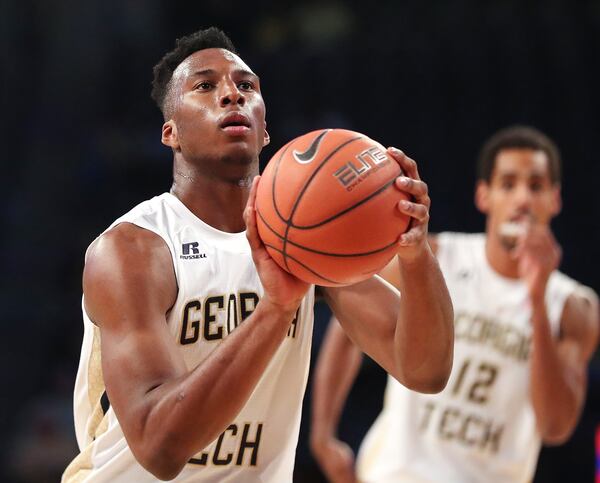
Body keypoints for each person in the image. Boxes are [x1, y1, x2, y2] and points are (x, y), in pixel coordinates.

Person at [62, 27, 454, 482]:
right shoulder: (133, 249)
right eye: (205, 86)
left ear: (265, 128)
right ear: (171, 133)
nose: (231, 94)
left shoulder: (307, 241)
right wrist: (275, 309)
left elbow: (425, 370)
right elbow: (159, 446)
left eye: (246, 86)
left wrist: (415, 253)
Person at [310, 125, 600, 483]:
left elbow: (555, 426)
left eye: (536, 186)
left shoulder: (573, 306)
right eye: (508, 185)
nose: (523, 199)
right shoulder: (436, 257)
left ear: (554, 199)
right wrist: (323, 434)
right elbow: (347, 314)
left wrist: (537, 300)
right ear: (484, 195)